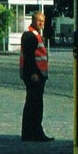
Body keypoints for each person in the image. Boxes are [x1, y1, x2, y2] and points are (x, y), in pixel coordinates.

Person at [19, 11, 52, 142]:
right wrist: (33, 72)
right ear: (33, 20)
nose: (41, 23)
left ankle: (30, 133)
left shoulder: (35, 34)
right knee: (35, 105)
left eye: (43, 21)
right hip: (35, 74)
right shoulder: (30, 35)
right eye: (39, 20)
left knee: (33, 104)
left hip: (38, 74)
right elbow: (29, 57)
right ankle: (35, 133)